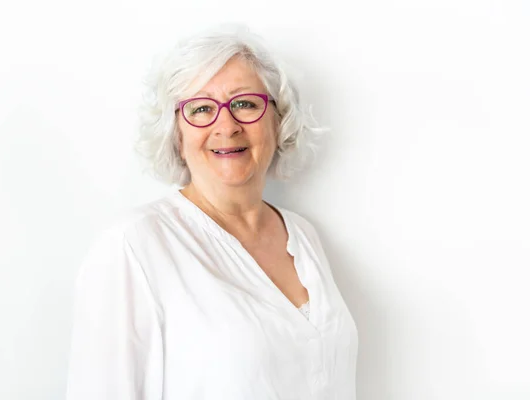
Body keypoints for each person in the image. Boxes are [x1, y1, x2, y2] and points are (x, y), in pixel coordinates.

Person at [65, 24, 358, 400]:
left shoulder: (303, 236)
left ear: (277, 119)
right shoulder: (134, 246)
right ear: (176, 133)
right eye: (201, 109)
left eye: (245, 104)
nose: (226, 125)